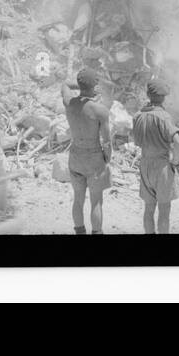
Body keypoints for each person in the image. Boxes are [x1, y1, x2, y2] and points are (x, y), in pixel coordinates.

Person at [61, 68, 112, 235]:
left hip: (75, 155)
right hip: (94, 157)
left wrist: (82, 85)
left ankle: (79, 232)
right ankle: (96, 232)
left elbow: (65, 85)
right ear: (95, 85)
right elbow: (107, 141)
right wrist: (107, 159)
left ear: (80, 84)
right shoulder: (100, 110)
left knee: (78, 199)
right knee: (96, 201)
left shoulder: (69, 103)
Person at [131, 78, 179, 235]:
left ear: (148, 94)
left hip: (145, 164)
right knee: (164, 210)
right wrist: (174, 161)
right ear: (164, 97)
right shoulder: (164, 117)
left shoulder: (138, 116)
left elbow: (137, 142)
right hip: (162, 166)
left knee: (148, 209)